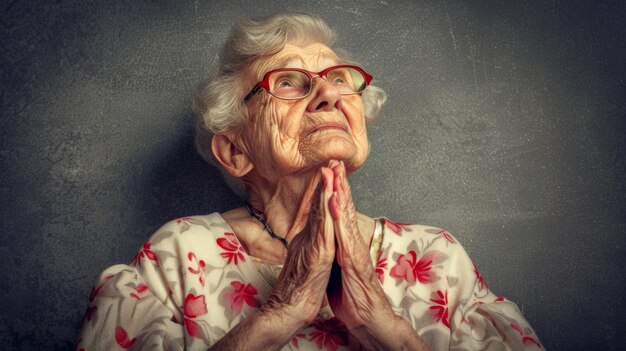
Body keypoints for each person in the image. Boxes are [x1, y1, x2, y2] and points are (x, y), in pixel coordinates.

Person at [77, 13, 542, 351]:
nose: (328, 93)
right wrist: (280, 314)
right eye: (289, 82)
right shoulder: (178, 257)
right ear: (235, 151)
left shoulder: (438, 258)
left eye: (338, 78)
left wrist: (380, 323)